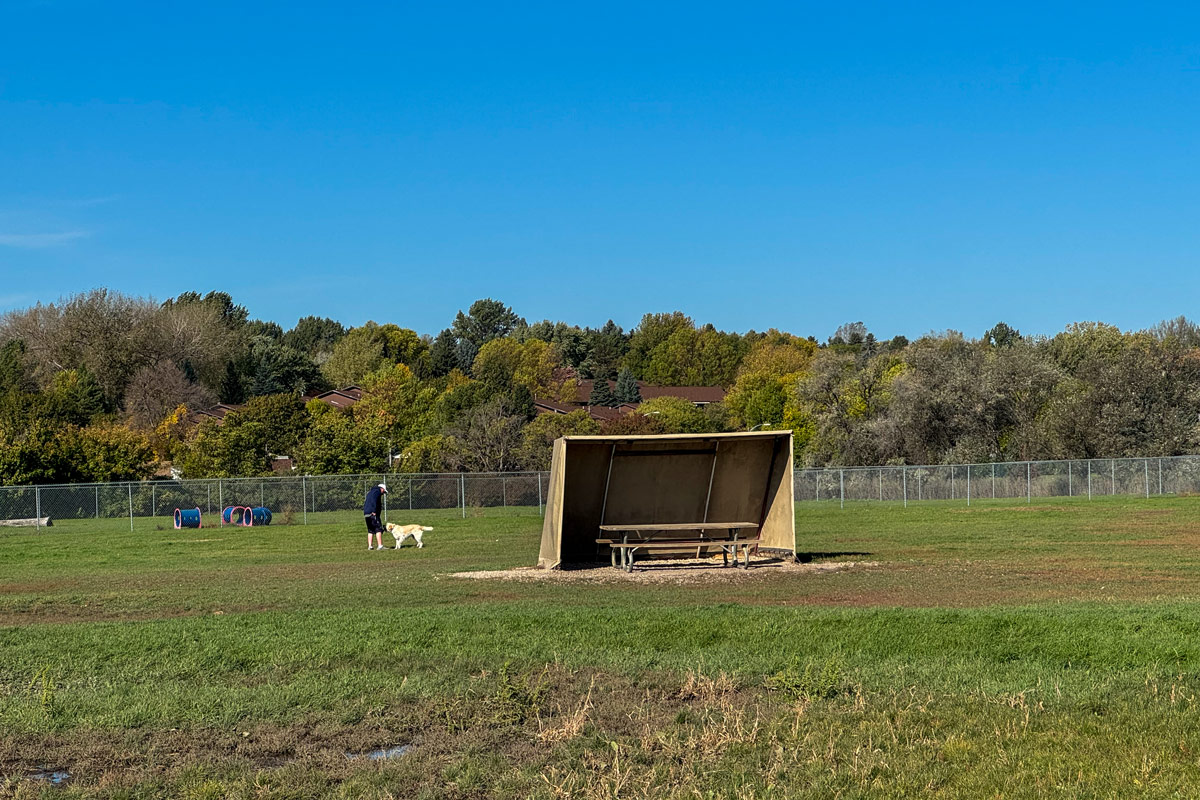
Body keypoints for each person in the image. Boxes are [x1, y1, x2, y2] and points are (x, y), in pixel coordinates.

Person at [364, 482, 388, 550]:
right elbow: (373, 501)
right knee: (378, 528)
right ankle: (380, 546)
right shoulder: (377, 492)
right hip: (373, 513)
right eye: (383, 492)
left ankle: (370, 546)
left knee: (370, 530)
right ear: (382, 489)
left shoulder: (370, 492)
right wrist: (374, 511)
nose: (383, 494)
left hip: (366, 513)